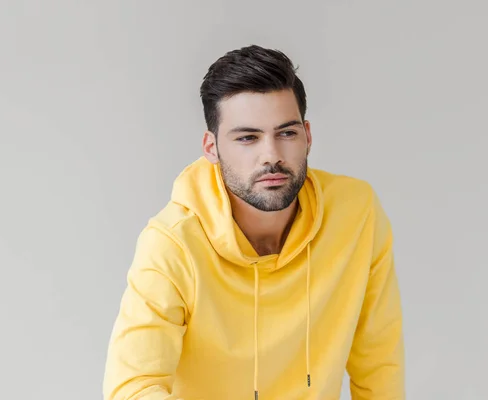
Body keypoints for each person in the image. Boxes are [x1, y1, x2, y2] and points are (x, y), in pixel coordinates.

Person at [102, 45, 405, 400]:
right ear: (211, 147)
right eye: (248, 138)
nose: (272, 156)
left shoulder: (356, 213)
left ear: (307, 136)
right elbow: (133, 388)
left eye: (287, 133)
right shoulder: (173, 243)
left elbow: (379, 363)